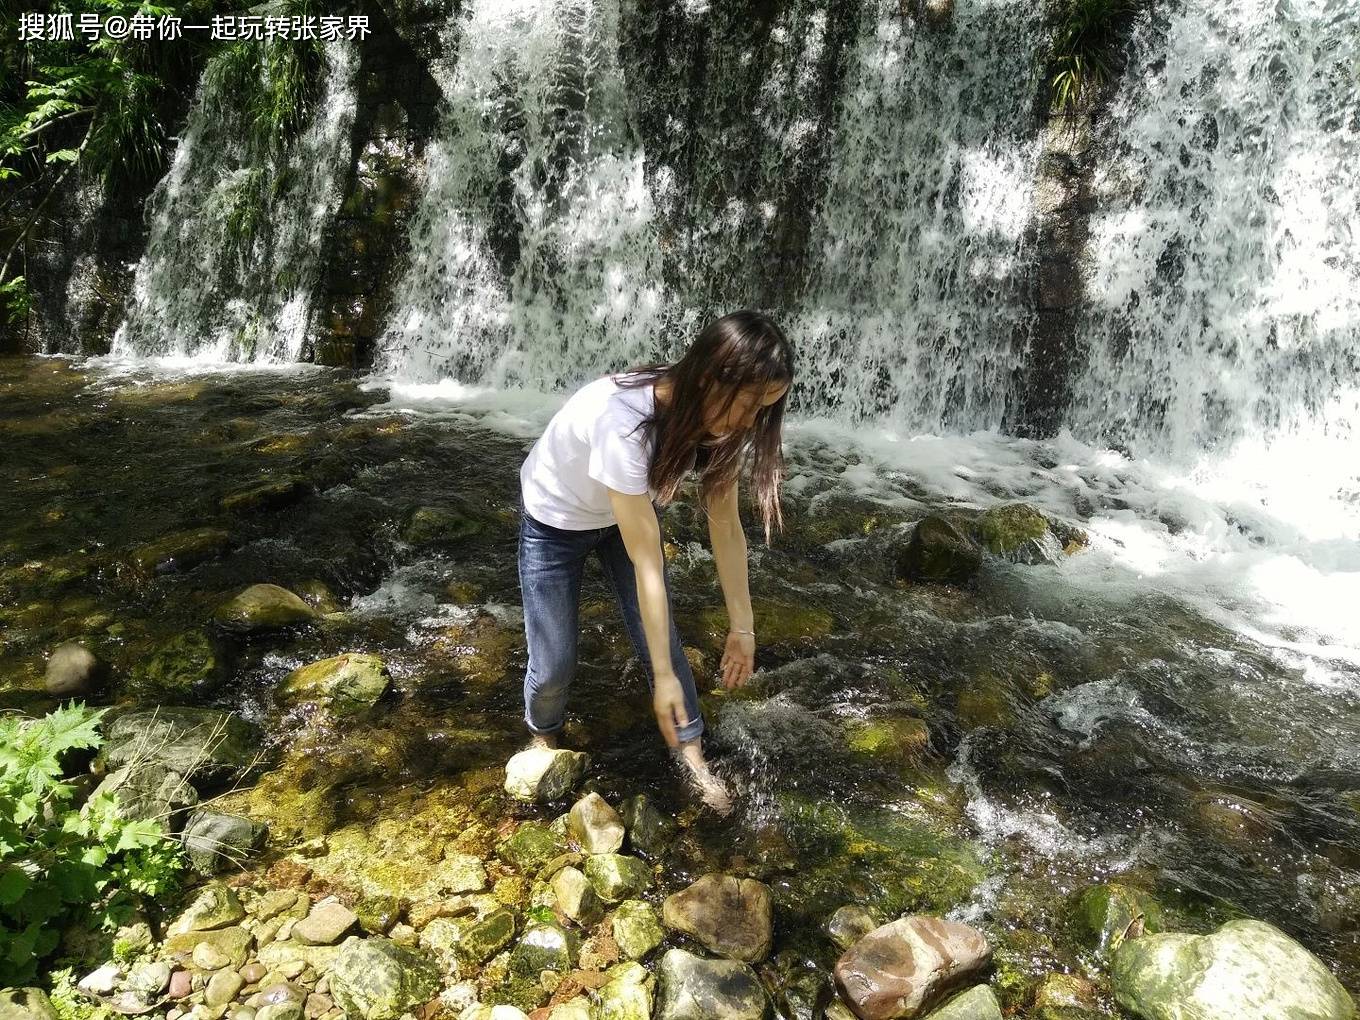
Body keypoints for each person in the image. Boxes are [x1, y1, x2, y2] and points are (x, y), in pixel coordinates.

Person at [516, 309, 794, 813]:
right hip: (554, 520)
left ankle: (690, 751)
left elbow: (726, 527)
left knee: (660, 639)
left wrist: (743, 626)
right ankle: (544, 736)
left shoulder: (715, 419)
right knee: (555, 663)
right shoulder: (622, 421)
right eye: (751, 405)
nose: (752, 423)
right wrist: (662, 679)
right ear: (713, 377)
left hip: (623, 512)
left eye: (764, 410)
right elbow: (647, 563)